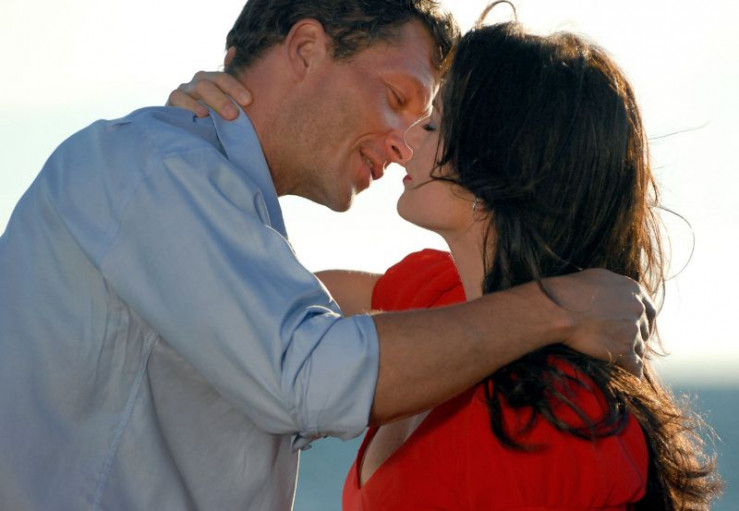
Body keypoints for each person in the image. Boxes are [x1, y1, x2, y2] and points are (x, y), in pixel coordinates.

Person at [0, 1, 656, 510]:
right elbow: (310, 371)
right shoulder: (159, 164)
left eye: (429, 118)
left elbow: (304, 310)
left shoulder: (186, 181)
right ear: (307, 49)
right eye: (397, 99)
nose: (405, 142)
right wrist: (561, 308)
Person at [172, 3, 721, 510]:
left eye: (432, 122)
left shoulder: (560, 416)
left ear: (502, 160)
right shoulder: (441, 296)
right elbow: (276, 306)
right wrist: (225, 135)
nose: (403, 143)